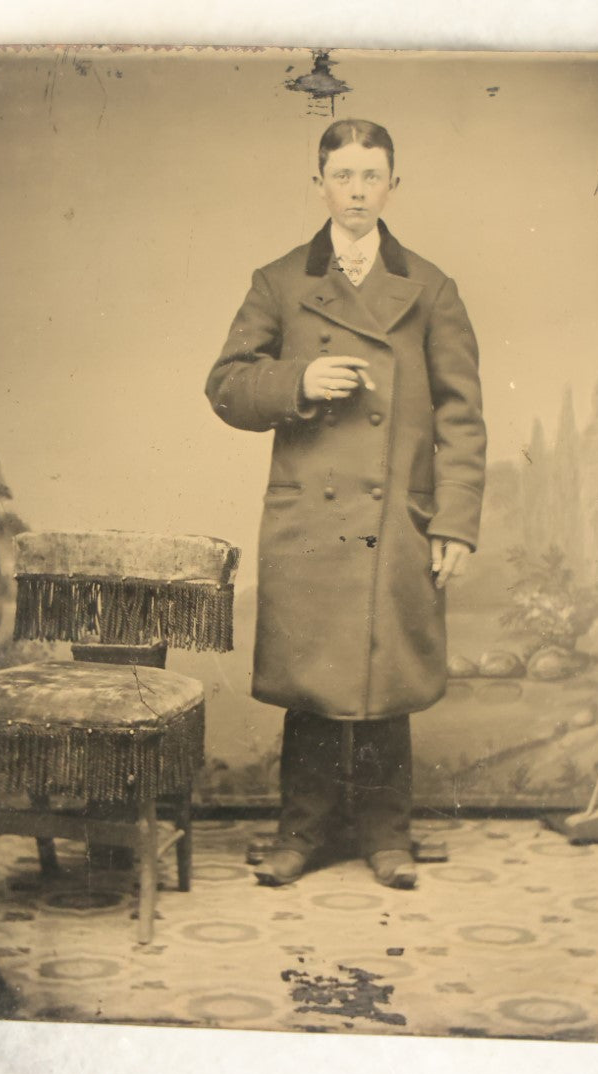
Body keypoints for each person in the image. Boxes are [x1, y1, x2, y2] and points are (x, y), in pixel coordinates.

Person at [205, 119, 486, 888]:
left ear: (393, 183)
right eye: (344, 175)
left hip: (399, 513)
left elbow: (462, 414)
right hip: (310, 519)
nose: (357, 191)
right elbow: (226, 384)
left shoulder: (431, 287)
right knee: (313, 682)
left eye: (372, 175)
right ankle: (300, 832)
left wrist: (456, 521)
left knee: (385, 679)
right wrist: (297, 381)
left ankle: (388, 835)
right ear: (319, 182)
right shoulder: (279, 281)